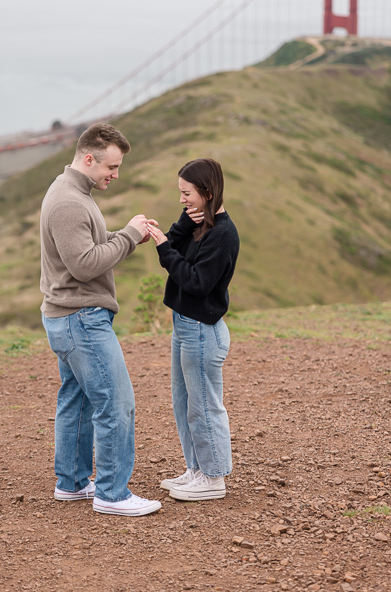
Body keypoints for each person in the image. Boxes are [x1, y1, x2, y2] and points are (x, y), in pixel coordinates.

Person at [40, 123, 161, 517]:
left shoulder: (72, 191)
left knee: (76, 402)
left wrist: (126, 234)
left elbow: (86, 244)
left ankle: (73, 484)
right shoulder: (69, 202)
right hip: (81, 319)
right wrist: (127, 236)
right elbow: (84, 264)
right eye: (111, 166)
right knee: (116, 403)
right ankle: (113, 493)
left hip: (67, 317)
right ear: (88, 158)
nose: (115, 174)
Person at [147, 158, 240, 501]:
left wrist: (163, 249)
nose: (182, 199)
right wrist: (183, 224)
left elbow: (195, 282)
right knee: (184, 402)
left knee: (203, 405)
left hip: (202, 330)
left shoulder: (223, 234)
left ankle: (213, 477)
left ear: (207, 192)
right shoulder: (199, 224)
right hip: (185, 326)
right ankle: (197, 470)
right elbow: (174, 243)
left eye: (187, 194)